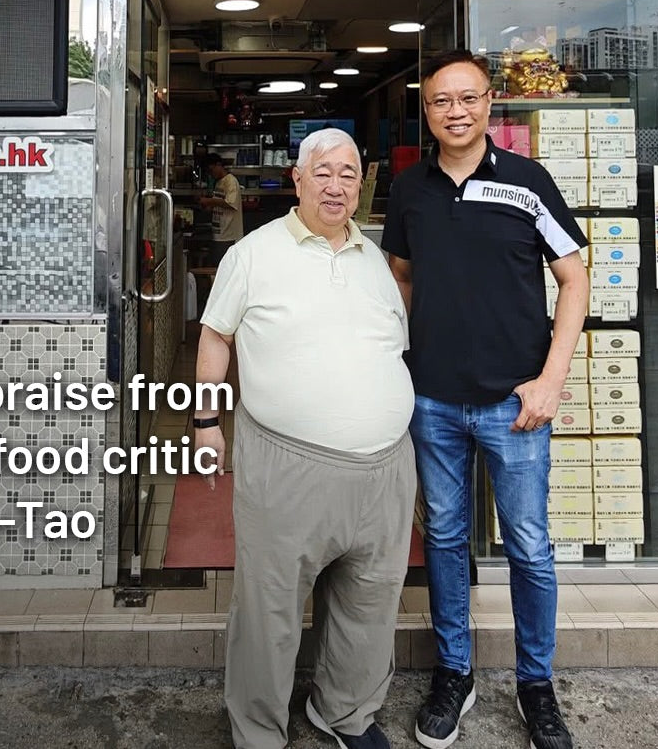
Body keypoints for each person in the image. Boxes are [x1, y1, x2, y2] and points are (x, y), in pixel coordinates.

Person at [383, 51, 589, 749]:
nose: (456, 111)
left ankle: (536, 684)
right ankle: (455, 672)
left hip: (516, 403)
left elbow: (575, 279)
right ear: (427, 111)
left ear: (489, 103)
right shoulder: (409, 190)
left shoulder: (529, 182)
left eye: (467, 98)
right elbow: (403, 277)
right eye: (441, 101)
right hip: (434, 400)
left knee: (528, 544)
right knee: (444, 538)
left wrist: (552, 378)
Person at [195, 127, 415, 749]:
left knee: (370, 603)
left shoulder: (375, 259)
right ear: (297, 179)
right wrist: (206, 423)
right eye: (323, 172)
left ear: (361, 184)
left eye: (348, 174)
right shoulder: (253, 254)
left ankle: (345, 713)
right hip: (287, 465)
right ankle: (258, 729)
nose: (336, 186)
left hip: (385, 468)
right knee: (269, 608)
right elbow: (215, 337)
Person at [198, 153, 244, 265]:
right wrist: (206, 205)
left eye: (211, 170)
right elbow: (217, 204)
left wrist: (208, 201)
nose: (211, 174)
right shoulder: (218, 182)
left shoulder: (231, 181)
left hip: (229, 235)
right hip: (219, 233)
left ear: (218, 165)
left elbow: (230, 203)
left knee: (226, 266)